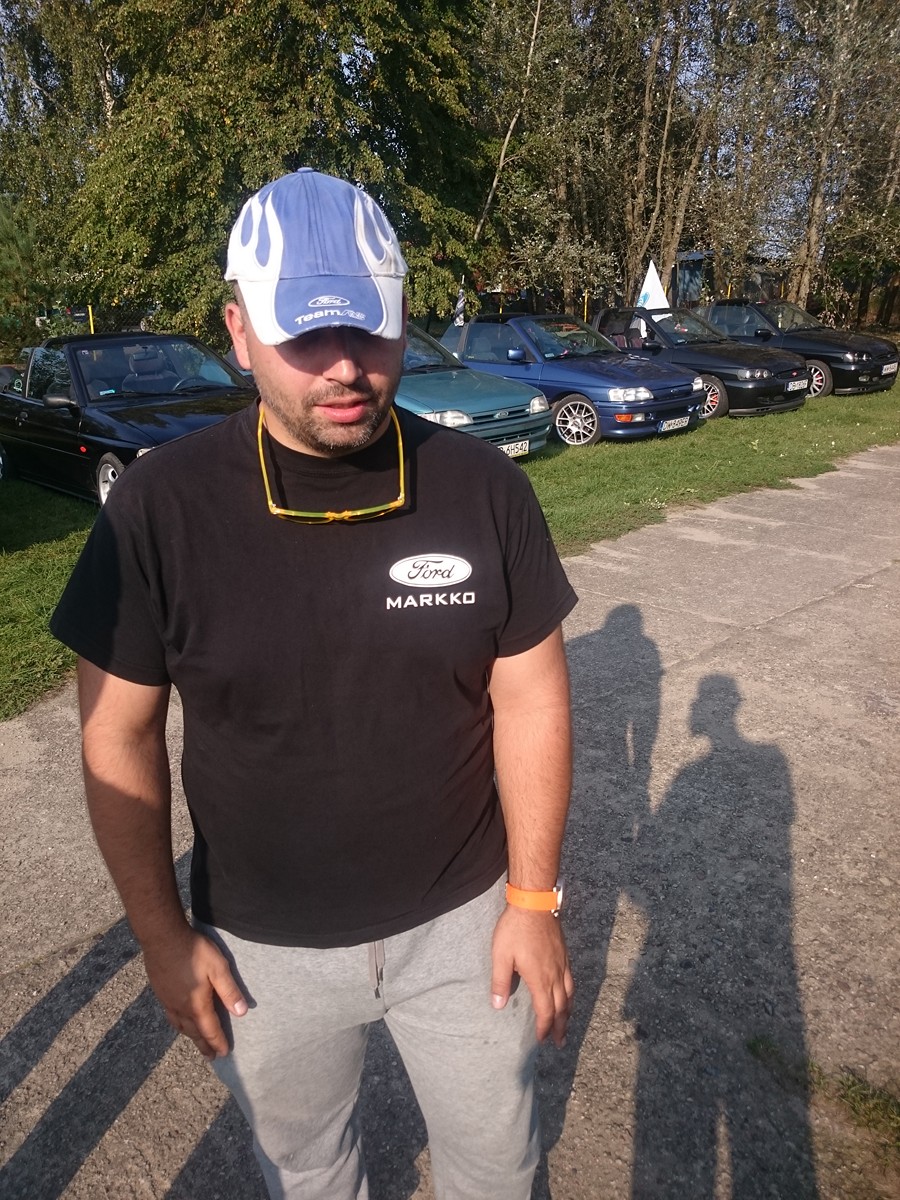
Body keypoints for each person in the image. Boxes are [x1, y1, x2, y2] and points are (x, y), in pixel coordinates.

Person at [51, 167, 577, 1200]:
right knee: (308, 1172)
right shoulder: (156, 511)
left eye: (368, 330)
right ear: (240, 332)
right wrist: (162, 937)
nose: (344, 367)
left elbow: (532, 697)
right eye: (305, 335)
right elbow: (116, 735)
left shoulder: (484, 489)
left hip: (467, 925)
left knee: (499, 1167)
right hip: (261, 951)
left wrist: (534, 899)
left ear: (402, 318)